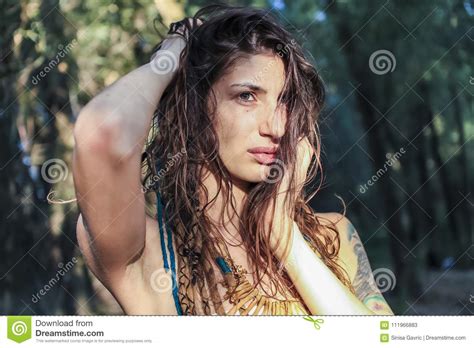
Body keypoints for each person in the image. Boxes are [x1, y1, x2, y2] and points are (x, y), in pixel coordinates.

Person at [72, 4, 394, 315]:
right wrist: (174, 52)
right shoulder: (147, 254)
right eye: (246, 97)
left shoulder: (332, 235)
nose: (277, 127)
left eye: (285, 102)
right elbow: (103, 135)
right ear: (195, 109)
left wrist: (283, 236)